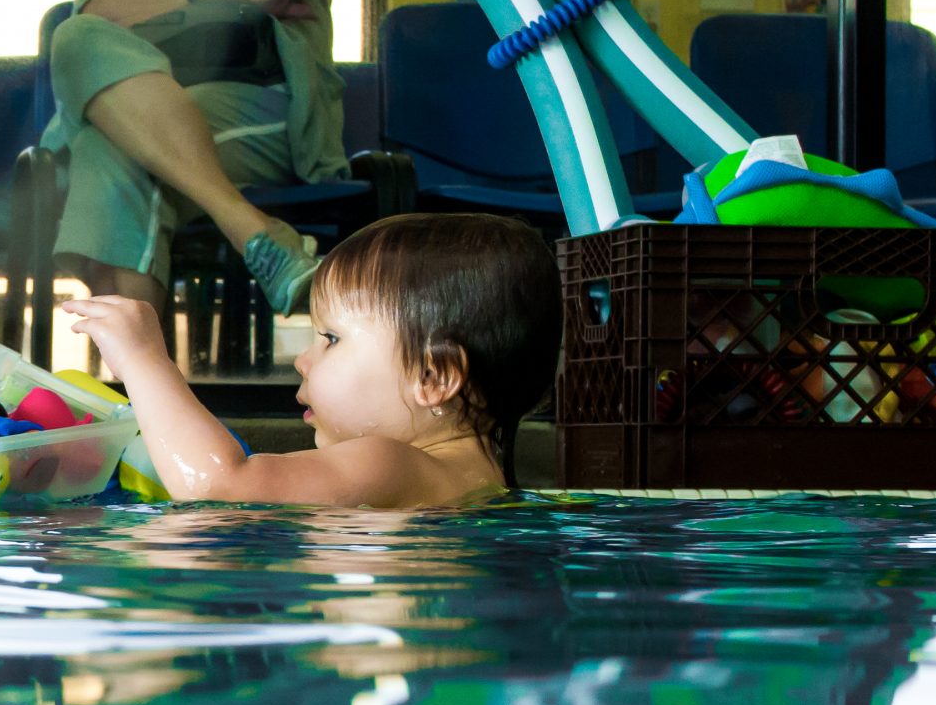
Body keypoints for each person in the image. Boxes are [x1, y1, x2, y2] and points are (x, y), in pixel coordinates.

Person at [41, 0, 347, 323]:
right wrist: (240, 1)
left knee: (115, 151)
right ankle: (254, 230)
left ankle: (136, 391)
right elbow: (101, 9)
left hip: (266, 110)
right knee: (76, 38)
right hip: (132, 102)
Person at [61, 213, 561, 508]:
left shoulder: (392, 462)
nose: (304, 360)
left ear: (433, 377)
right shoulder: (478, 484)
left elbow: (217, 485)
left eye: (330, 338)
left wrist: (147, 364)